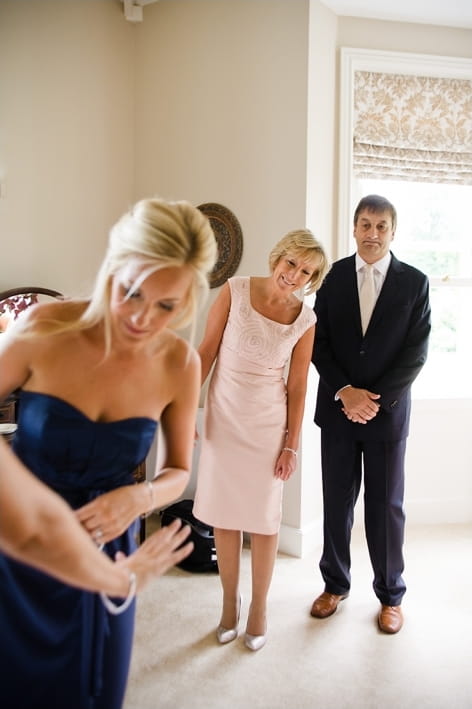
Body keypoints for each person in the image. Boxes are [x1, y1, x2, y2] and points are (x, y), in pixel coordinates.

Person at [0, 196, 217, 709]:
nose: (143, 318)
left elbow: (178, 471)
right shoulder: (42, 327)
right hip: (16, 538)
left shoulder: (178, 364)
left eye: (167, 306)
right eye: (133, 292)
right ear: (112, 266)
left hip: (109, 547)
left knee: (92, 689)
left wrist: (139, 499)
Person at [193, 229, 330, 651]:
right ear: (278, 256)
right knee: (223, 514)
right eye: (292, 263)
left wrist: (291, 444)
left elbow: (298, 386)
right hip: (223, 417)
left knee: (265, 519)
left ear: (312, 280)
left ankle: (259, 608)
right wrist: (183, 414)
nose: (294, 275)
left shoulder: (306, 320)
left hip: (268, 426)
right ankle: (229, 603)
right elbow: (205, 353)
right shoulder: (234, 290)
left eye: (306, 271)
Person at [310, 194, 431, 634]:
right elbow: (317, 342)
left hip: (387, 415)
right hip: (338, 411)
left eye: (381, 226)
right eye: (365, 224)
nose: (372, 233)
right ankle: (334, 585)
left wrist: (372, 399)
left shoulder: (415, 283)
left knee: (385, 508)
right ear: (355, 228)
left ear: (393, 232)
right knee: (336, 504)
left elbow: (415, 354)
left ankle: (390, 595)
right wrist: (345, 392)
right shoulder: (332, 276)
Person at [0, 436, 193, 594]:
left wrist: (141, 496)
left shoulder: (179, 387)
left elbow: (178, 469)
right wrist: (121, 581)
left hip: (113, 532)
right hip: (28, 527)